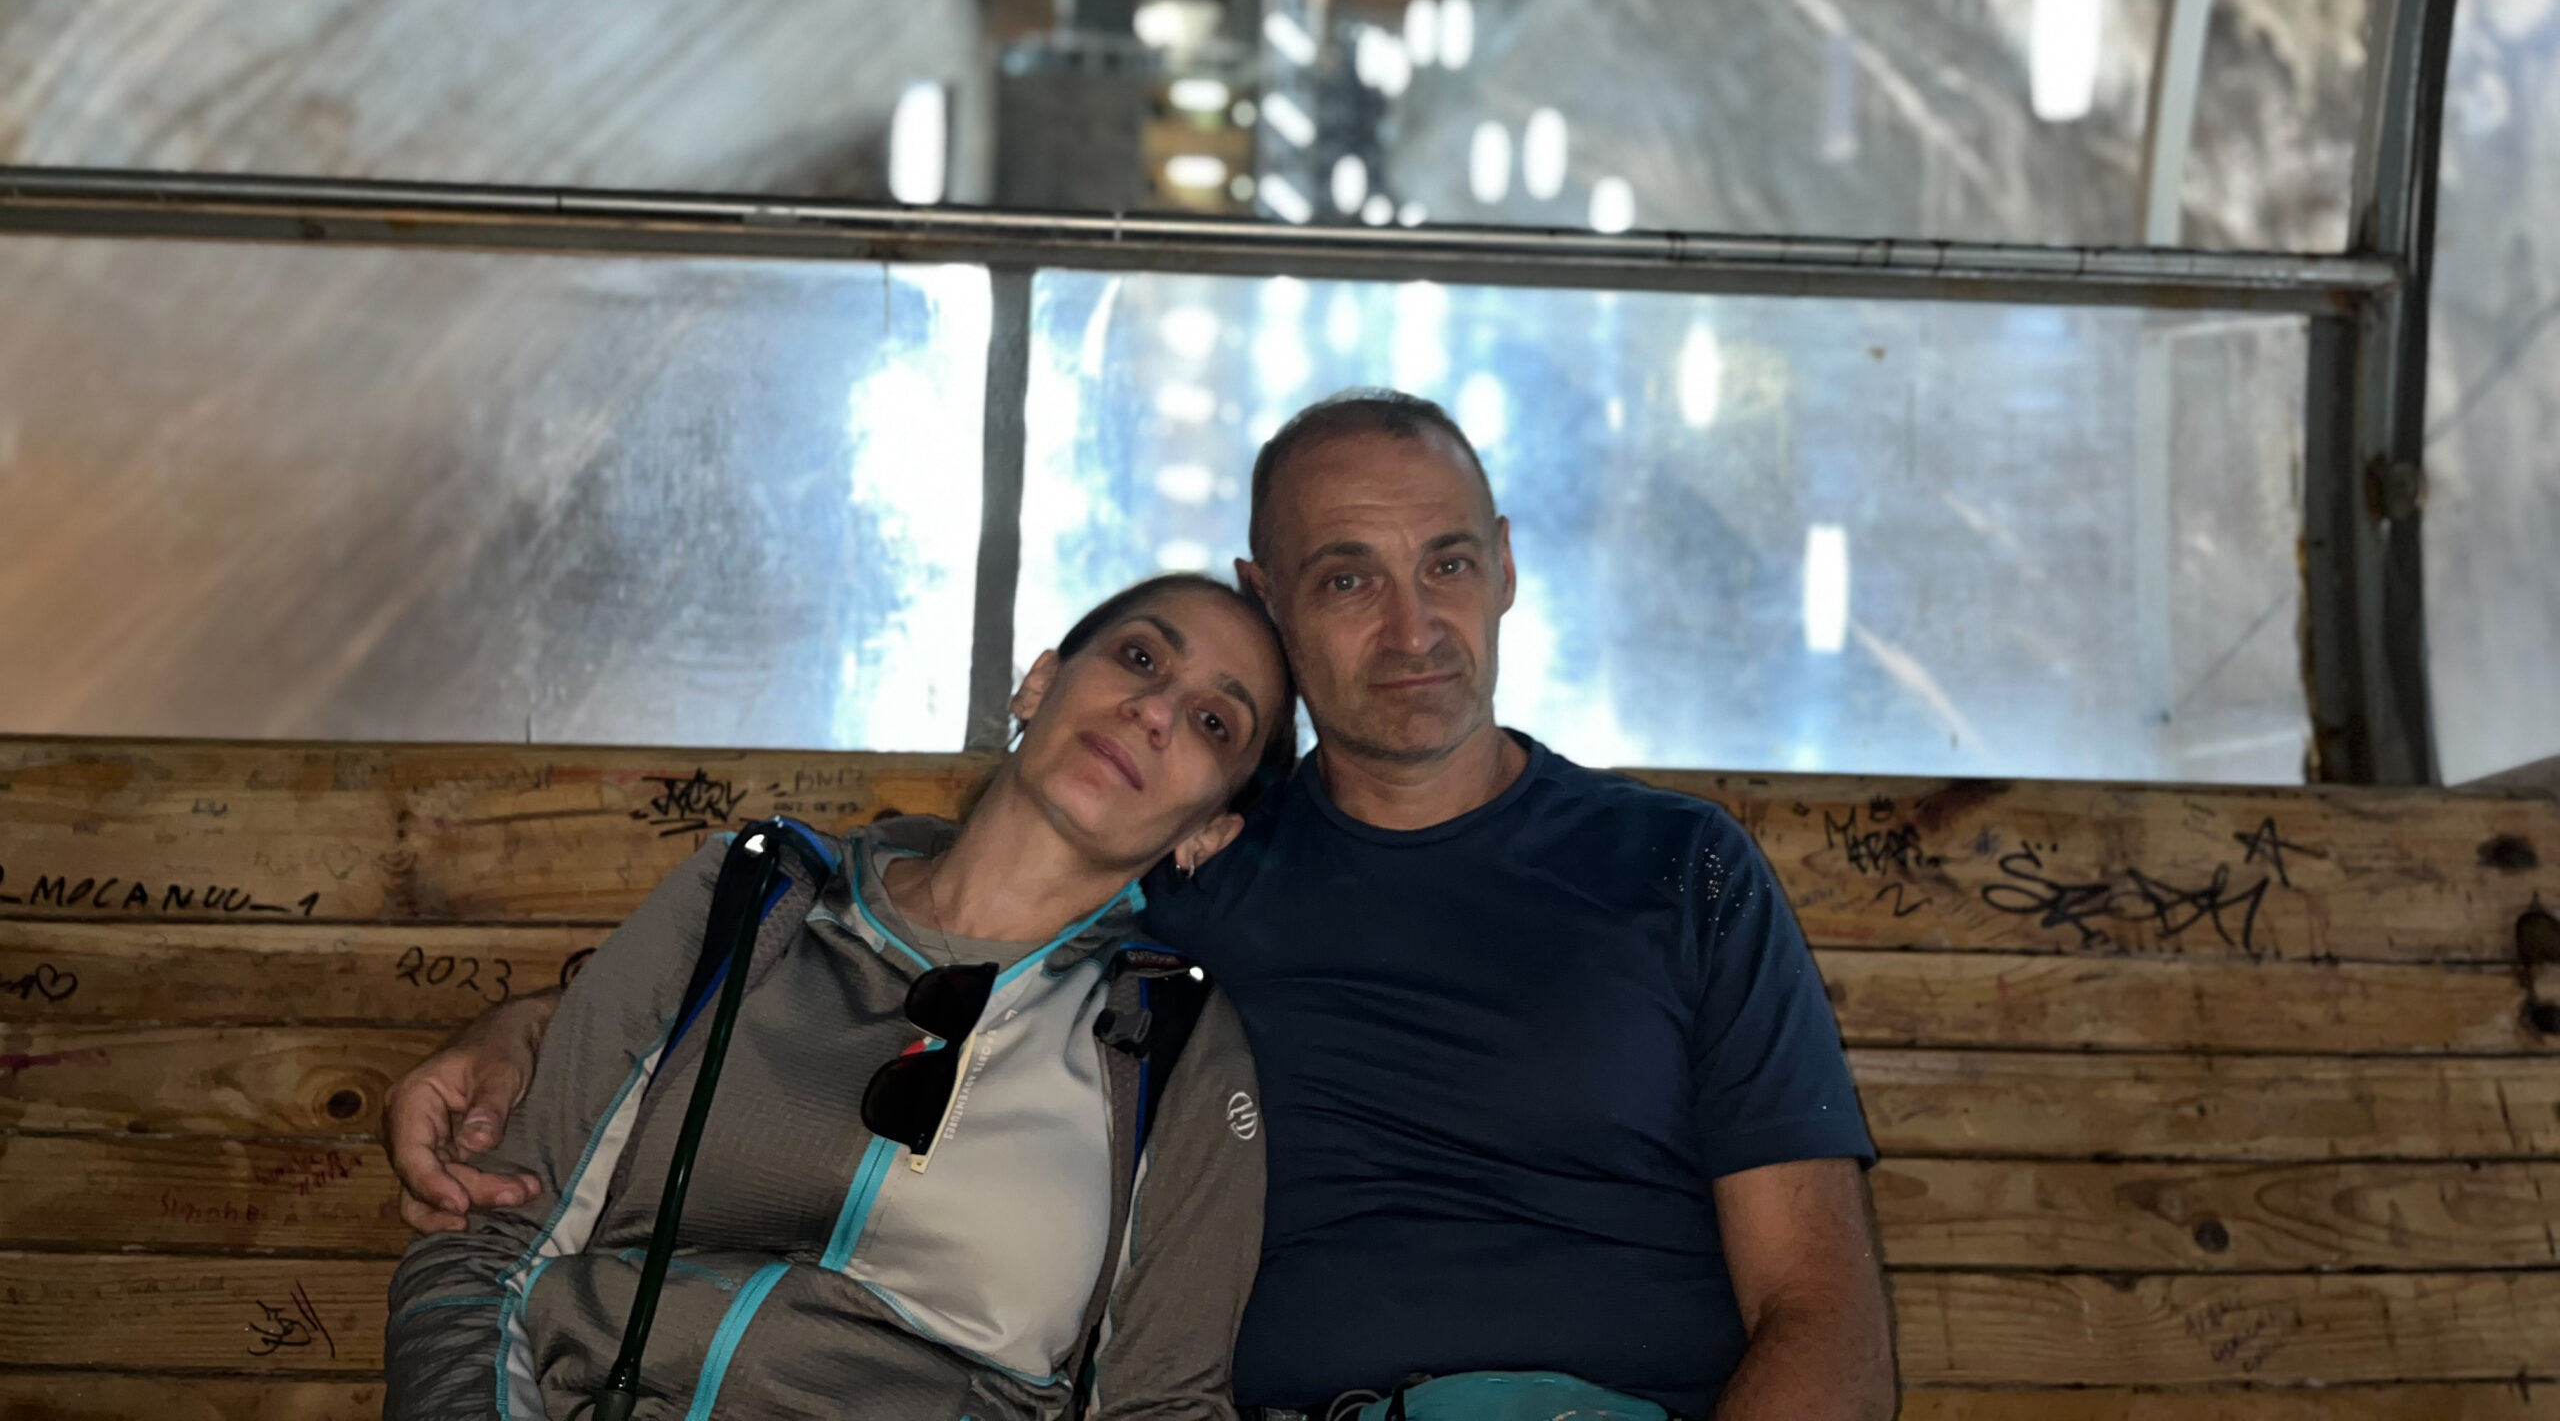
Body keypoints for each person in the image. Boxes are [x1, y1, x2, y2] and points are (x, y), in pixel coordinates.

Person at [390, 391, 1898, 1421]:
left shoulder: (1677, 870)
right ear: (1272, 597)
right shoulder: (1193, 874)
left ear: (1505, 565)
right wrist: (540, 1028)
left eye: (1447, 562)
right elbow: (921, 916)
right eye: (1347, 579)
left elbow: (1823, 1312)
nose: (1414, 626)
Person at [383, 572, 1296, 1421]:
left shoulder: (1175, 1045)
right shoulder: (750, 901)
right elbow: (487, 1255)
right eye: (1139, 657)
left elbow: (1160, 1405)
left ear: (1209, 834)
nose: (1154, 712)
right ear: (1039, 683)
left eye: (1214, 723)